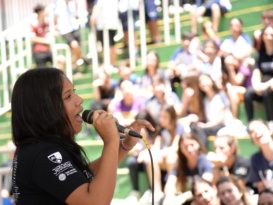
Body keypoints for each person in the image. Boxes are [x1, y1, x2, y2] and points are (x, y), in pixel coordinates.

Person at [10, 68, 154, 204]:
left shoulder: (44, 147)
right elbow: (95, 202)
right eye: (68, 96)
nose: (79, 100)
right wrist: (110, 141)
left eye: (74, 92)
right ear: (44, 109)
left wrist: (125, 145)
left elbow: (82, 178)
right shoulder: (43, 153)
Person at [138, 104, 185, 203]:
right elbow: (156, 146)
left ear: (172, 117)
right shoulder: (161, 129)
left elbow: (175, 148)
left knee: (172, 158)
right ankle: (157, 192)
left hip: (178, 159)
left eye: (165, 117)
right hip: (165, 156)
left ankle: (174, 190)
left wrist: (160, 153)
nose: (161, 120)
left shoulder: (179, 127)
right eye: (160, 116)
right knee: (151, 159)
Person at [244, 25, 273, 122]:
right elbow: (255, 72)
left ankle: (272, 122)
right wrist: (256, 86)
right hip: (262, 84)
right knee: (248, 94)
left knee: (268, 91)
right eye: (267, 34)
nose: (269, 37)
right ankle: (250, 123)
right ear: (262, 36)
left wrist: (265, 85)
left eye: (272, 35)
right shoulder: (259, 53)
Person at [162, 132, 213, 205]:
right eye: (185, 147)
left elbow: (206, 184)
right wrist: (169, 197)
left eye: (192, 145)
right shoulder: (179, 165)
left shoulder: (205, 162)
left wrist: (183, 197)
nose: (190, 149)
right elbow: (170, 183)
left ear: (198, 144)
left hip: (202, 199)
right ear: (181, 149)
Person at [190, 74, 234, 147]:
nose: (203, 83)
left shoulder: (221, 95)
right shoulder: (204, 99)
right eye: (200, 82)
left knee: (201, 130)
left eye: (205, 80)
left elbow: (222, 117)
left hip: (223, 125)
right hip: (211, 124)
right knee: (194, 127)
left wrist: (206, 125)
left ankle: (202, 152)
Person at [248, 119, 273, 193]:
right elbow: (261, 188)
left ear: (270, 130)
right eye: (252, 131)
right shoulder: (255, 159)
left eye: (258, 127)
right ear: (252, 140)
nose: (256, 132)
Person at [54, 0, 90, 70]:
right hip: (64, 29)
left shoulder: (73, 3)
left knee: (75, 49)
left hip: (74, 27)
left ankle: (76, 66)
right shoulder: (58, 3)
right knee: (75, 45)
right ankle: (82, 58)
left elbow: (75, 15)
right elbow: (56, 17)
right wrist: (56, 27)